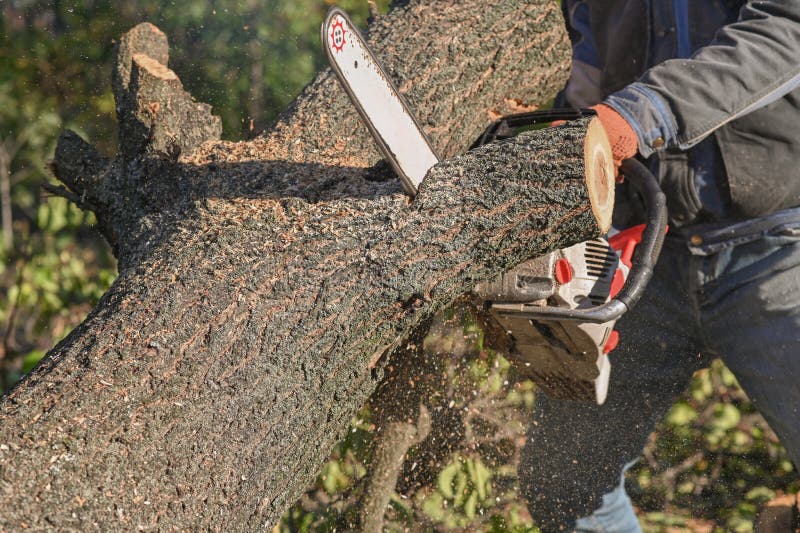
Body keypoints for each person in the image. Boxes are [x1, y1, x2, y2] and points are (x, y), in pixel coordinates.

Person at [517, 1, 800, 531]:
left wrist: (643, 111)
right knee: (566, 485)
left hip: (781, 237)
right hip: (648, 246)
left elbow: (787, 28)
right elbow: (589, 55)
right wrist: (562, 136)